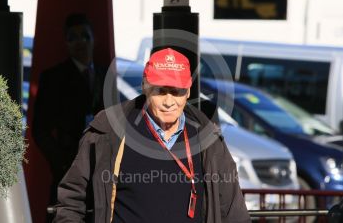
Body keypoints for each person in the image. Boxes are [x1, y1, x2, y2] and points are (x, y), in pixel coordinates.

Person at [53, 48, 251, 223]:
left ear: (188, 91)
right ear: (145, 87)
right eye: (160, 91)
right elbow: (72, 199)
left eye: (176, 92)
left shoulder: (209, 141)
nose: (168, 101)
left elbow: (234, 213)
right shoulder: (108, 131)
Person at [32, 13, 107, 206]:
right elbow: (40, 130)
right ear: (66, 43)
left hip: (100, 169)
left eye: (85, 36)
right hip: (68, 166)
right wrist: (62, 164)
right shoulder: (53, 78)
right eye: (72, 37)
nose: (80, 42)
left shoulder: (105, 74)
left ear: (94, 39)